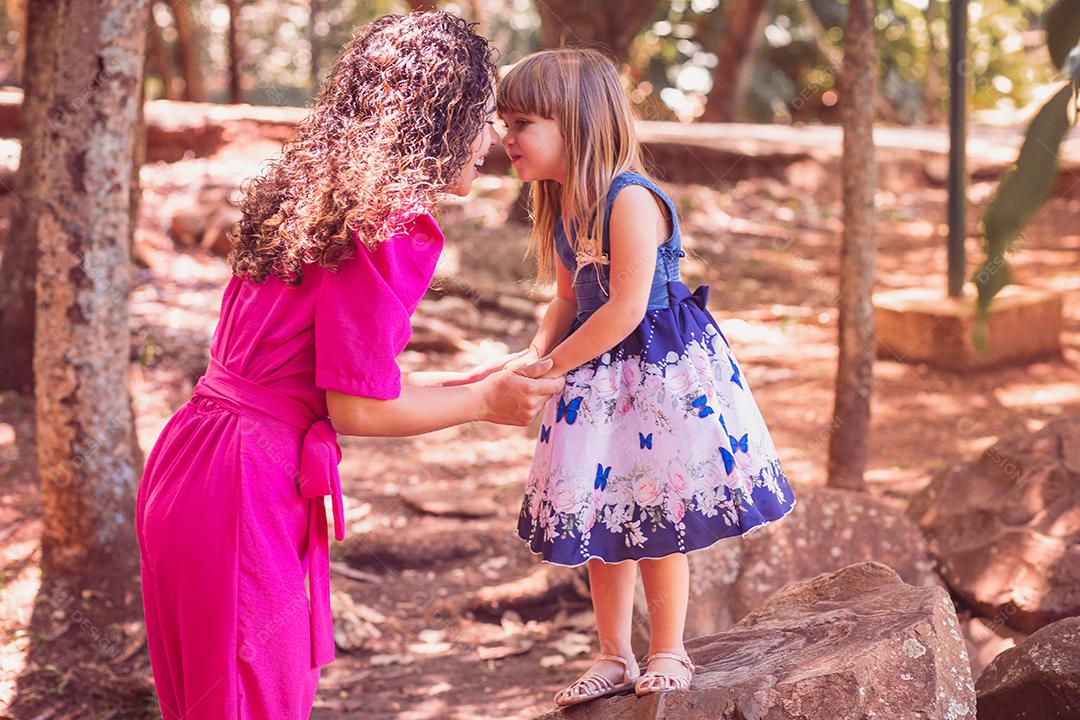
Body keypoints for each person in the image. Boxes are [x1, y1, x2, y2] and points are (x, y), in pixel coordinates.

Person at [135, 13, 563, 719]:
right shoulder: (392, 224)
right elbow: (356, 410)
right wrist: (486, 404)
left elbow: (322, 381)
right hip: (245, 486)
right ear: (442, 118)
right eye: (483, 117)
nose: (491, 139)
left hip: (194, 462)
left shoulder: (315, 195)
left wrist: (479, 378)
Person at [497, 48, 797, 706]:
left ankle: (669, 648)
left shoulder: (628, 200)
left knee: (658, 508)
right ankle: (614, 653)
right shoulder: (565, 204)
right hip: (598, 380)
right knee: (605, 513)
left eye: (522, 123)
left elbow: (629, 307)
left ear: (576, 123)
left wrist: (555, 366)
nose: (506, 137)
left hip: (655, 378)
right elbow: (569, 299)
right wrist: (534, 354)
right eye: (503, 122)